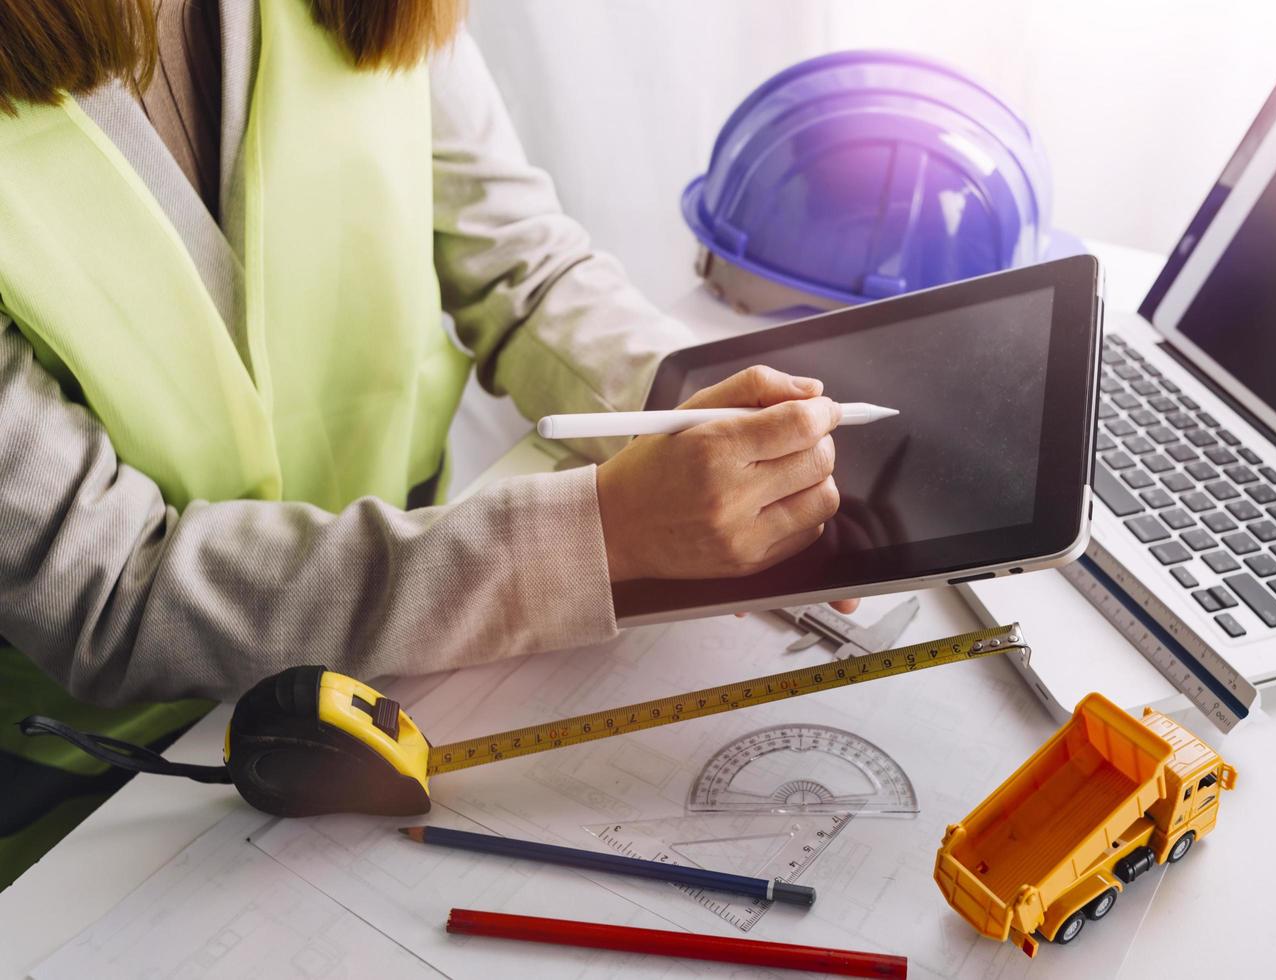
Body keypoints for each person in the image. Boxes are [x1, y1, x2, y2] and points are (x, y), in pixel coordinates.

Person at [0, 0, 849, 883]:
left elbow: (526, 270)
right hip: (107, 791)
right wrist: (599, 535)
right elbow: (110, 592)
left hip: (413, 666)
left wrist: (707, 422)